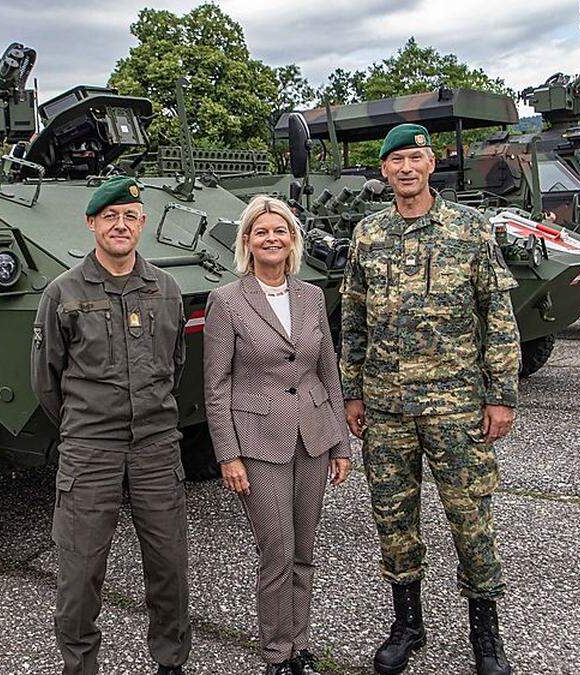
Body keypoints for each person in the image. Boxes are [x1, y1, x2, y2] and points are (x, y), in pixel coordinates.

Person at [340, 124, 520, 675]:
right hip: (386, 408)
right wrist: (352, 392)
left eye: (415, 157)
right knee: (393, 520)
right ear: (384, 171)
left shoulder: (469, 230)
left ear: (431, 162)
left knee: (471, 520)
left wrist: (502, 395)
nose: (406, 168)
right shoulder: (368, 234)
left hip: (456, 405)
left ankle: (485, 638)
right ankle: (407, 624)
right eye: (395, 161)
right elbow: (353, 317)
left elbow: (498, 315)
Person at [31, 176, 191, 675]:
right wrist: (88, 425)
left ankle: (170, 662)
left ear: (142, 223)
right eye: (109, 217)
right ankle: (79, 667)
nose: (120, 226)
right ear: (91, 224)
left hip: (156, 448)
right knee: (79, 572)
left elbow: (175, 365)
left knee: (168, 566)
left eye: (130, 216)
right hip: (90, 450)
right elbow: (46, 379)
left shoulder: (165, 289)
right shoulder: (64, 291)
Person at [203, 195, 352, 675]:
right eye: (261, 231)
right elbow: (216, 386)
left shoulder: (311, 296)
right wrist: (228, 455)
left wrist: (340, 444)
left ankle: (300, 648)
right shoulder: (226, 300)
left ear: (293, 240)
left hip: (312, 435)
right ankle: (276, 654)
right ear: (247, 242)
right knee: (278, 549)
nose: (272, 238)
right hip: (259, 443)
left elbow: (328, 373)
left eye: (280, 230)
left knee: (305, 550)